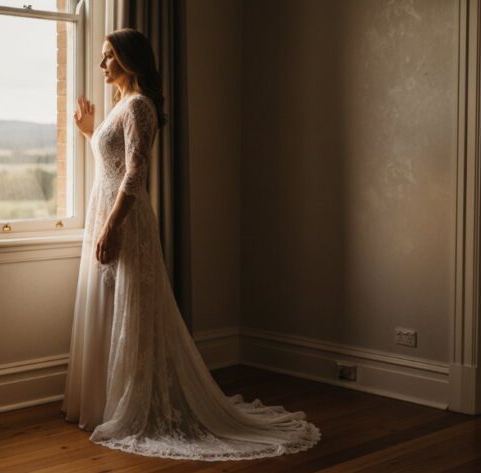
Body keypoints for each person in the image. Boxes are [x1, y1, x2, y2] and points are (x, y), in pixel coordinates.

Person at [61, 28, 321, 461]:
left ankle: (135, 403)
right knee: (110, 302)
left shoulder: (140, 106)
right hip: (105, 213)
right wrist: (90, 132)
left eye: (109, 56)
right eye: (103, 57)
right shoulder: (120, 105)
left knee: (133, 304)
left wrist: (111, 226)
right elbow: (112, 162)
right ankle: (107, 399)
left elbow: (133, 174)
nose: (102, 64)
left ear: (130, 59)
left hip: (123, 217)